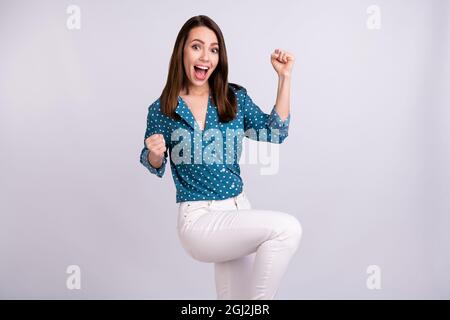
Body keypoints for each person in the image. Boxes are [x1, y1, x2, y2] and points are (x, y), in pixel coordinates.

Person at [139, 15, 302, 300]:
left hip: (239, 212)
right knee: (287, 229)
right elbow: (154, 164)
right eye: (197, 47)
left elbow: (275, 132)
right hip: (198, 220)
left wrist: (284, 78)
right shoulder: (162, 108)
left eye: (213, 49)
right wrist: (154, 153)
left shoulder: (233, 99)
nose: (206, 57)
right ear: (182, 51)